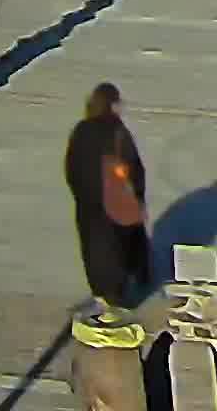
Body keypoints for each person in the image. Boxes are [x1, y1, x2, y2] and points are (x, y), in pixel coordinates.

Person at [64, 82, 153, 311]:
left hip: (88, 204)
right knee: (121, 245)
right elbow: (133, 167)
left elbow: (71, 166)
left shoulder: (81, 130)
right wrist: (137, 195)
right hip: (116, 200)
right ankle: (121, 294)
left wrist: (81, 193)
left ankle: (102, 293)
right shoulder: (117, 131)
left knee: (94, 248)